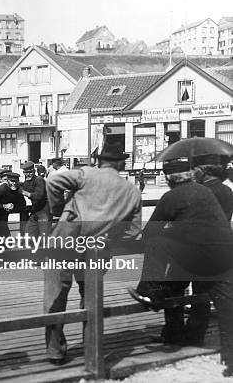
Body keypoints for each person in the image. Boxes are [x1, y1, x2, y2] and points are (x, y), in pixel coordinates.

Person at [128, 160, 233, 378]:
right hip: (224, 255)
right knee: (227, 310)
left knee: (156, 244)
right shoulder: (206, 191)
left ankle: (151, 292)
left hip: (195, 256)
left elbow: (150, 232)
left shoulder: (171, 197)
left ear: (168, 179)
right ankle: (230, 360)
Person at [44, 143, 142, 365]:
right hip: (98, 249)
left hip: (65, 242)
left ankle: (55, 351)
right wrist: (110, 238)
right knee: (91, 298)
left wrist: (59, 210)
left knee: (55, 297)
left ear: (99, 160)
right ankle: (92, 347)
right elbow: (134, 231)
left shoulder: (86, 173)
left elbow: (53, 181)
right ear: (121, 163)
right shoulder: (132, 191)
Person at [0, 172, 25, 239]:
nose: (14, 183)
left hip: (2, 217)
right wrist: (4, 206)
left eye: (16, 181)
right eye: (12, 181)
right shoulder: (1, 189)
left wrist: (13, 206)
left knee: (6, 241)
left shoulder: (18, 190)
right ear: (8, 181)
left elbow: (22, 205)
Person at [21, 161, 50, 239]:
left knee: (44, 237)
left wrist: (26, 193)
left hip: (44, 210)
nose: (28, 174)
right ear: (23, 173)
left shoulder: (39, 179)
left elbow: (39, 196)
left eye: (30, 172)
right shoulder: (26, 183)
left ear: (34, 171)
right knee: (29, 234)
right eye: (26, 172)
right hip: (35, 211)